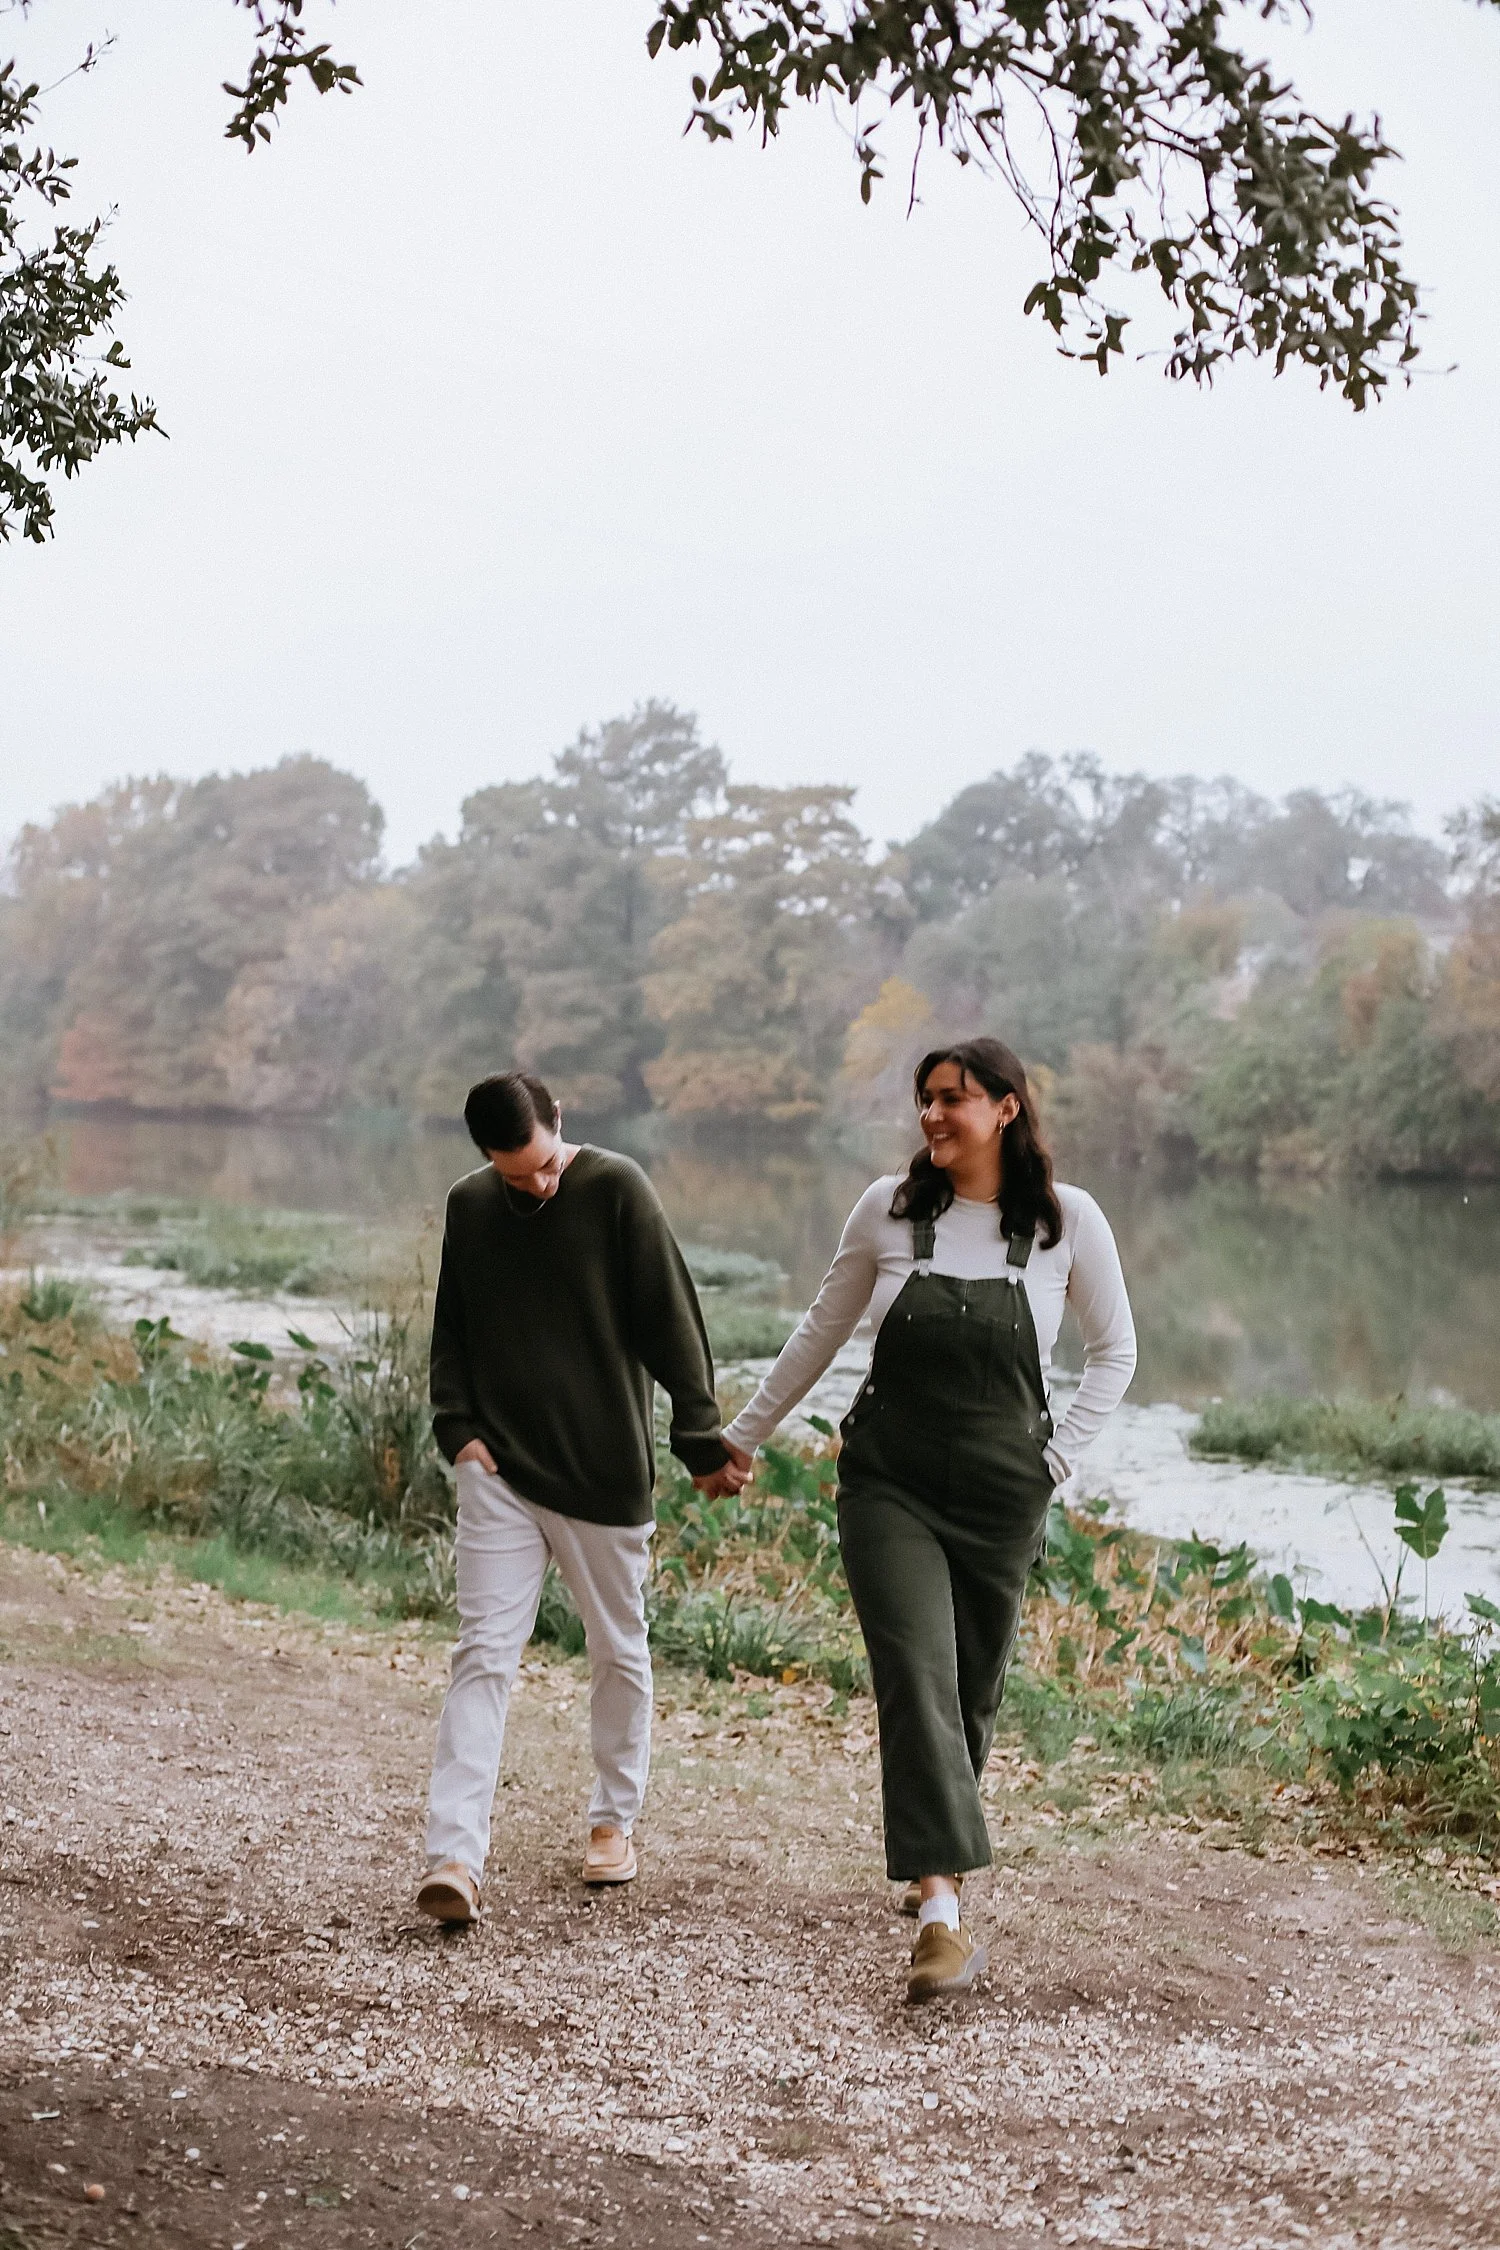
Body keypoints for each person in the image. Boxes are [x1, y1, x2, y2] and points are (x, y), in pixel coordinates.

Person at [706, 1038, 1135, 2002]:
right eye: (925, 1100)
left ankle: (937, 1841)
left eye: (953, 1100)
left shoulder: (1069, 1225)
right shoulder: (890, 1211)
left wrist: (1056, 1458)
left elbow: (1117, 1354)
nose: (933, 1116)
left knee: (969, 1692)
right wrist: (742, 1437)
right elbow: (820, 1327)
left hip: (1001, 1494)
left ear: (1007, 1110)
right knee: (915, 1673)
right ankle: (941, 1914)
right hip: (888, 1483)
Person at [417, 1070, 743, 1925]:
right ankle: (454, 1854)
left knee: (617, 1650)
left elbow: (672, 1321)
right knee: (484, 1653)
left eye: (545, 1165)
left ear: (560, 1122)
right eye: (517, 1174)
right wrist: (458, 1432)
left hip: (603, 1474)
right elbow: (451, 1329)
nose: (538, 1185)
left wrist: (700, 1436)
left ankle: (611, 1822)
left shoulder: (615, 1188)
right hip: (502, 1476)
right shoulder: (471, 1205)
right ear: (488, 1158)